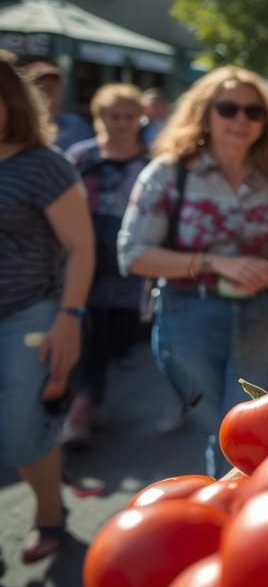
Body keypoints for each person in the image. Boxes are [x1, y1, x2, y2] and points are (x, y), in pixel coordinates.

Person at [118, 66, 268, 477]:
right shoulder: (169, 173)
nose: (241, 119)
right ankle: (233, 511)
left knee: (249, 428)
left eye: (253, 111)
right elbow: (132, 254)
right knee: (219, 428)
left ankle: (241, 514)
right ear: (204, 112)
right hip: (189, 313)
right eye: (228, 108)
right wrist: (211, 262)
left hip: (265, 313)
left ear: (266, 121)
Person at [0, 56, 93, 563]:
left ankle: (48, 512)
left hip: (30, 314)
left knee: (19, 427)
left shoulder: (43, 163)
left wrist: (69, 317)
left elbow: (80, 246)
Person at [61, 83, 151, 448]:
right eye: (114, 116)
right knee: (90, 332)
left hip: (129, 263)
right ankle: (81, 408)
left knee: (121, 335)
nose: (122, 123)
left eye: (129, 116)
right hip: (86, 256)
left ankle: (90, 399)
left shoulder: (150, 160)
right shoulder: (80, 157)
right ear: (100, 118)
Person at [24, 62, 95, 149]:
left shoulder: (78, 125)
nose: (49, 91)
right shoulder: (19, 126)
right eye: (41, 86)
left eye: (53, 86)